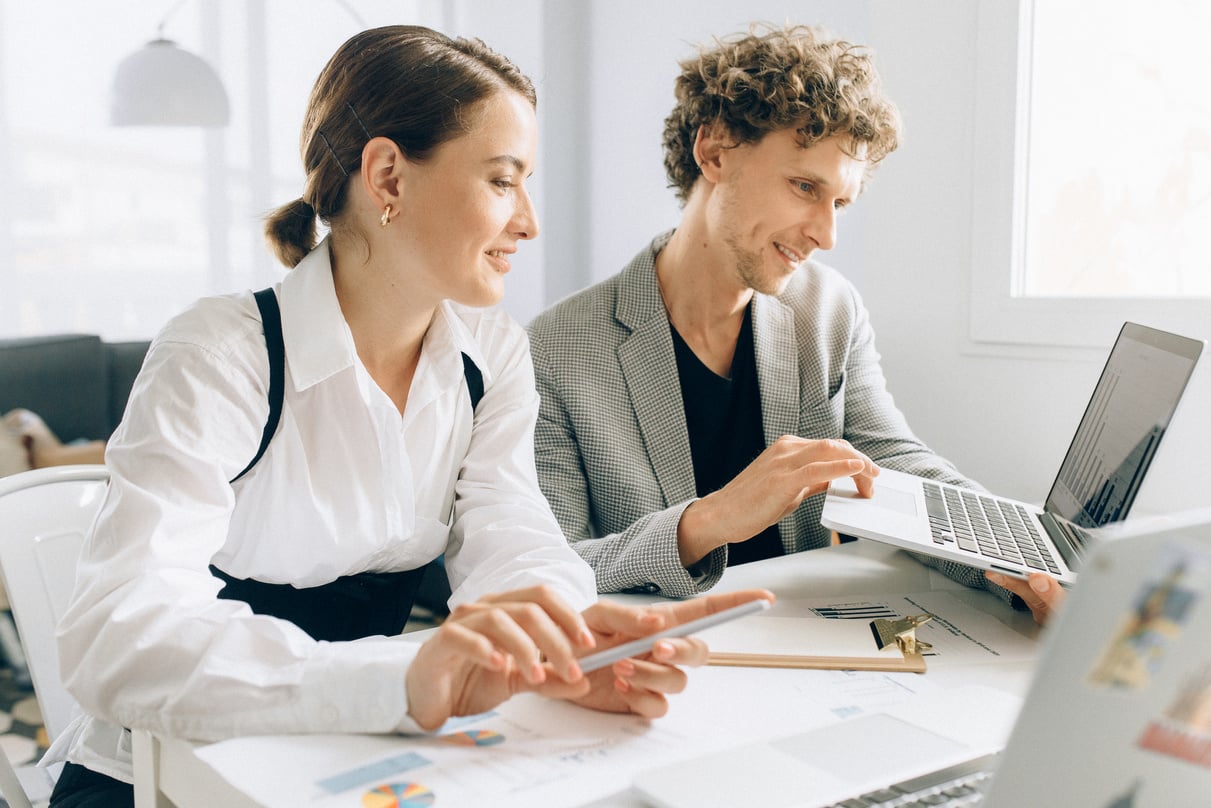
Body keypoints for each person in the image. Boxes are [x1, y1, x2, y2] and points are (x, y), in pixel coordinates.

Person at [47, 26, 769, 807]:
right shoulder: (224, 353)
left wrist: (564, 641)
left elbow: (511, 540)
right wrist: (397, 675)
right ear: (387, 176)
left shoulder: (490, 360)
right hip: (169, 776)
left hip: (349, 758)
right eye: (502, 181)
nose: (529, 222)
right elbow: (116, 635)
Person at [526, 23, 1063, 623]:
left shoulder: (828, 310)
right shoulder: (554, 349)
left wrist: (1029, 565)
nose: (825, 235)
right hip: (656, 658)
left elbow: (897, 462)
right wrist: (710, 520)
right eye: (805, 186)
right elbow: (553, 570)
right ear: (714, 152)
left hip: (803, 643)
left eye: (839, 203)